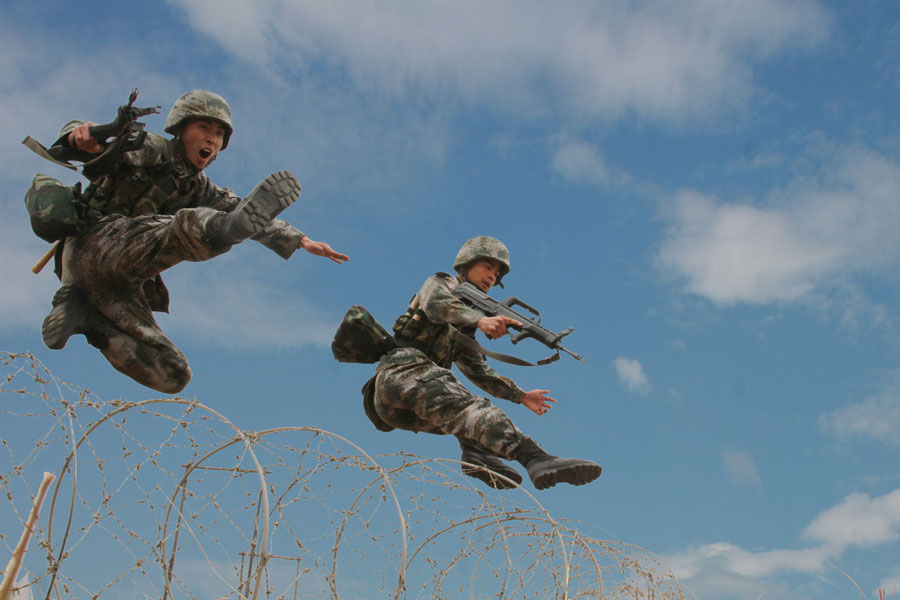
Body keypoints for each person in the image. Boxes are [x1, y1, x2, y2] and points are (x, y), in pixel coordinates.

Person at [33, 90, 348, 393]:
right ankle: (221, 231)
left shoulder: (203, 188)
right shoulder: (151, 148)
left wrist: (302, 240)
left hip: (112, 284)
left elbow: (246, 210)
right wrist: (80, 136)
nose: (212, 138)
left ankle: (86, 320)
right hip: (93, 245)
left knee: (172, 372)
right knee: (178, 227)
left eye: (219, 134)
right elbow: (88, 144)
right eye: (204, 127)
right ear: (181, 129)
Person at [373, 236, 601, 490]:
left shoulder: (464, 328)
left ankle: (476, 454)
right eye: (487, 267)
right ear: (466, 264)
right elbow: (436, 305)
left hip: (403, 410)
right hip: (403, 372)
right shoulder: (441, 283)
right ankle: (536, 458)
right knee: (472, 408)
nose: (492, 276)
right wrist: (478, 319)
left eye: (497, 273)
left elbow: (477, 370)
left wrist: (520, 395)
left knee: (468, 419)